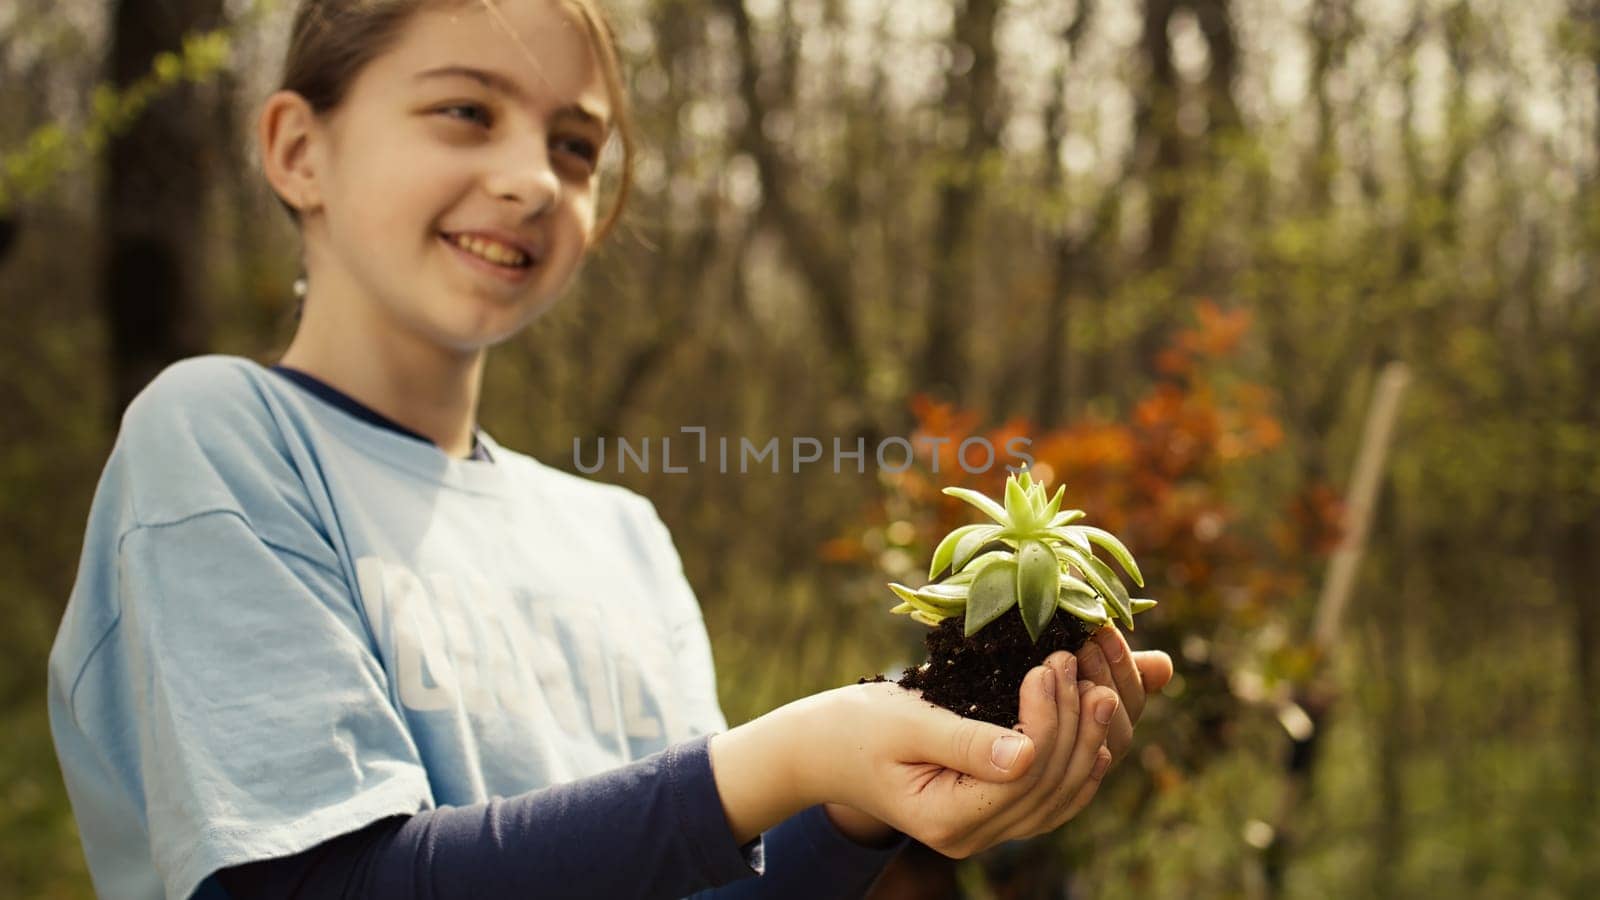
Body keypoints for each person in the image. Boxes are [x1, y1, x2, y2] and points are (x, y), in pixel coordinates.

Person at [46, 1, 1176, 898]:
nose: (535, 179)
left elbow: (690, 876)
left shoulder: (618, 538)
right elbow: (321, 886)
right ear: (299, 149)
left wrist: (848, 810)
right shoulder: (222, 438)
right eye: (464, 112)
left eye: (576, 147)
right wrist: (788, 760)